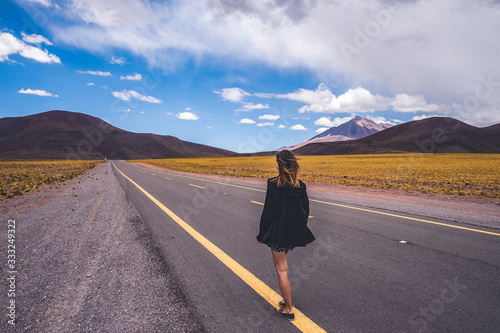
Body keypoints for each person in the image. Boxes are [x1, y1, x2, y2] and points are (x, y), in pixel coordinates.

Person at [257, 150, 315, 320]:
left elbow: (269, 211)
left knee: (281, 268)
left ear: (279, 164)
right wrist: (300, 229)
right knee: (278, 262)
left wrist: (262, 234)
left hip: (278, 233)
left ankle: (289, 309)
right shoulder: (300, 185)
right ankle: (285, 298)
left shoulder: (274, 184)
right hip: (293, 232)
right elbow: (305, 211)